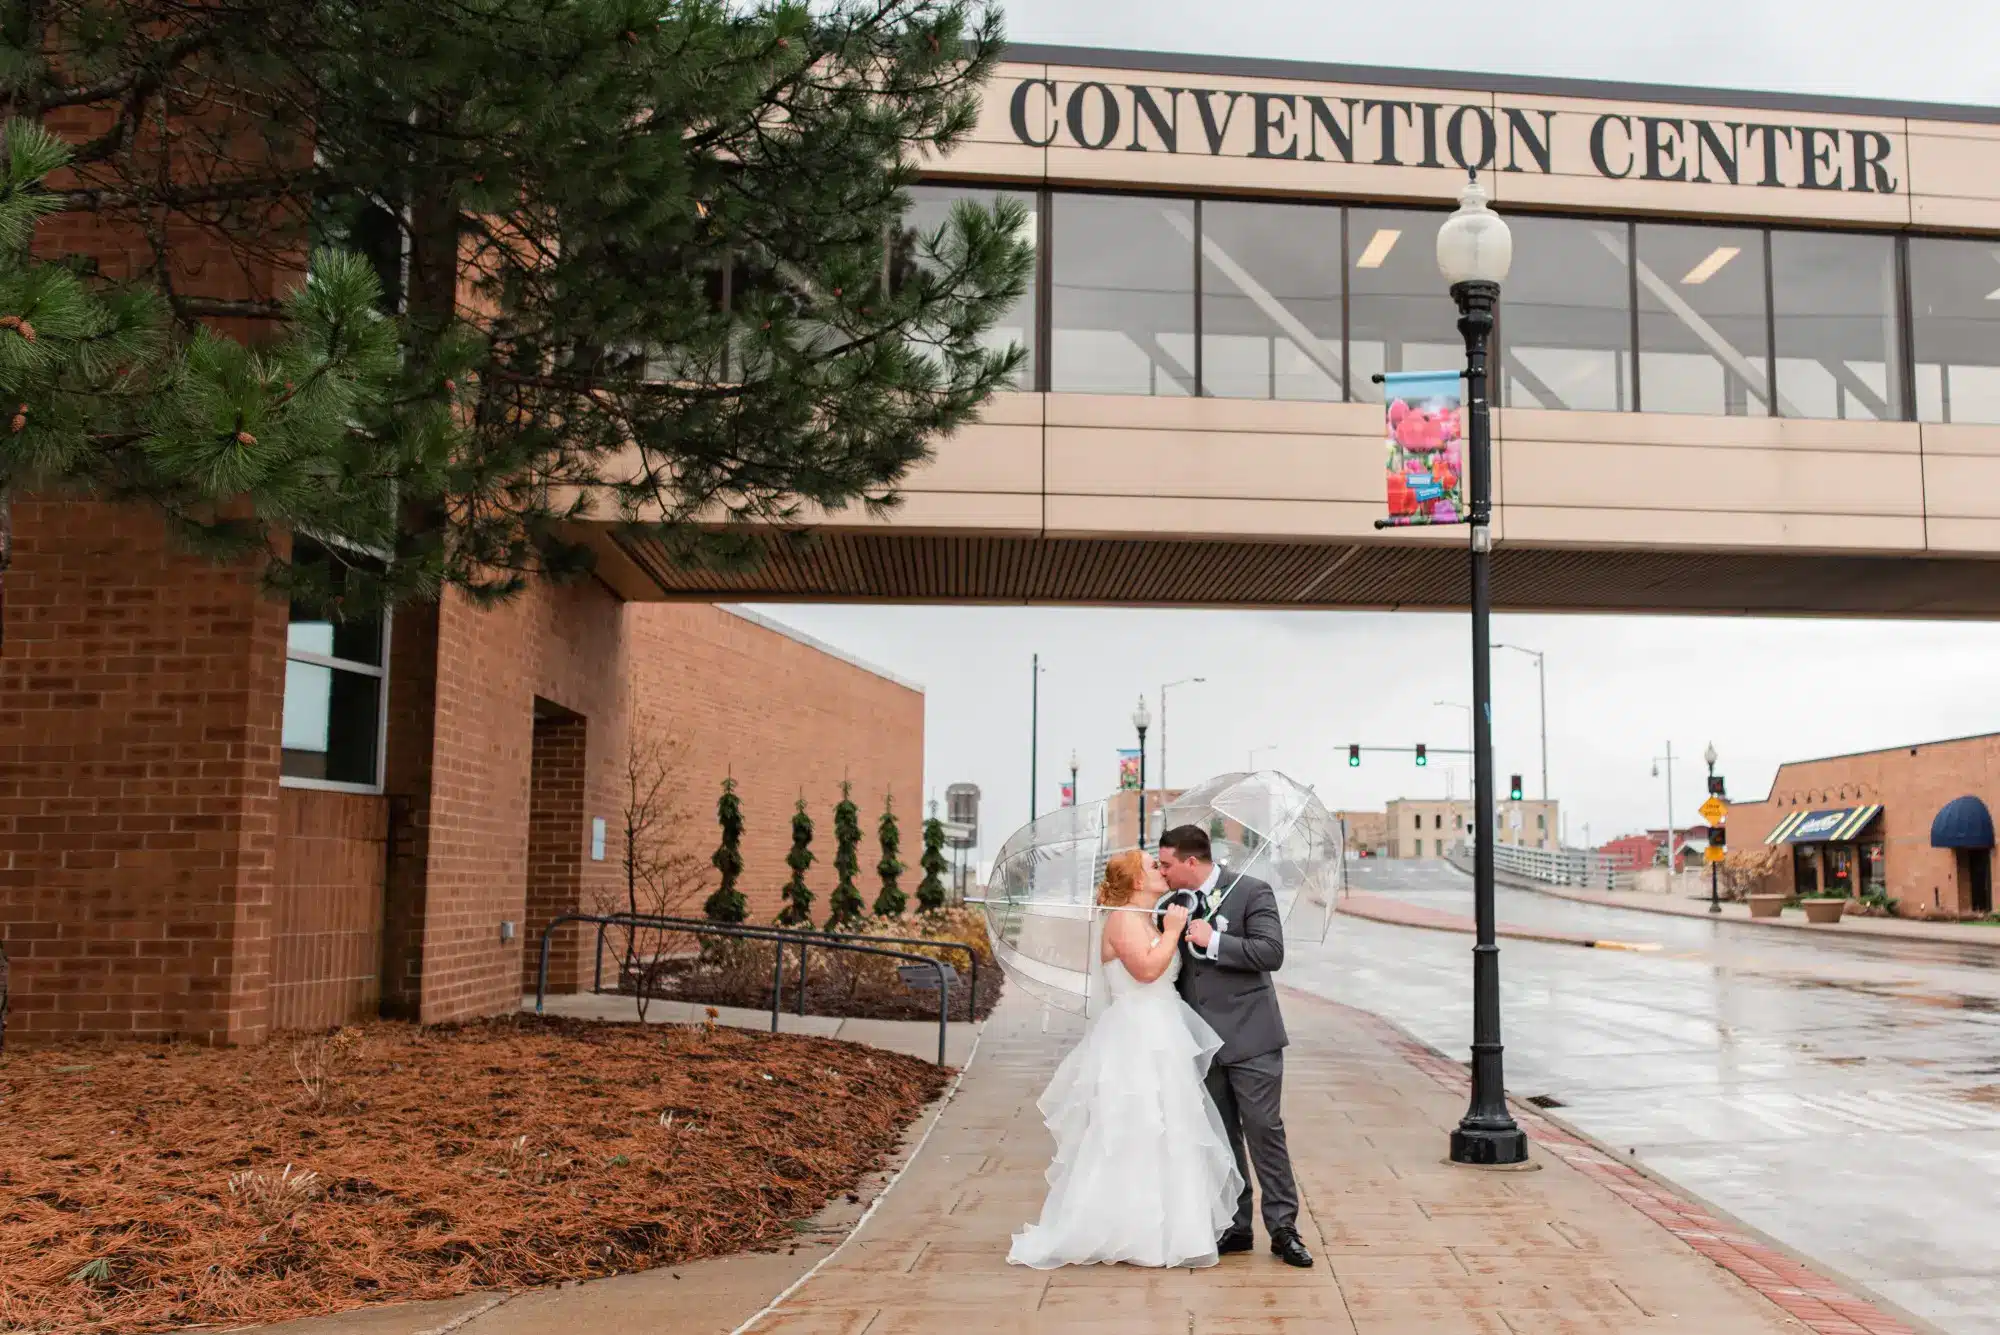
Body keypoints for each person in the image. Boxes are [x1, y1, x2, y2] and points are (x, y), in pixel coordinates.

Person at [1006, 849, 1244, 1269]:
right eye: (1153, 866)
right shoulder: (1121, 920)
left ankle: (1168, 1232)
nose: (1162, 870)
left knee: (1170, 1128)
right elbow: (1147, 971)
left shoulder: (1146, 919)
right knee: (1136, 1126)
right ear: (1136, 881)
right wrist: (1173, 931)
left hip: (1163, 1033)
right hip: (1136, 1037)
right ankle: (1128, 1232)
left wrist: (1178, 932)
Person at [1157, 823, 1313, 1269]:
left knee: (1265, 1131)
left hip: (1252, 1036)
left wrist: (1215, 941)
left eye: (1166, 864)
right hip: (1201, 1041)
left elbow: (1270, 953)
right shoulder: (1169, 905)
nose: (1162, 872)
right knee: (1223, 1136)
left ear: (1191, 861)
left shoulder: (1251, 892)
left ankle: (1283, 1229)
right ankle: (1236, 1225)